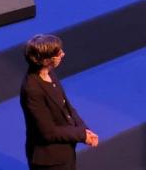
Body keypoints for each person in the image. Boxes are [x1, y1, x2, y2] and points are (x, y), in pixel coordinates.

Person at [20, 34, 98, 169]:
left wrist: (84, 129)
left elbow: (66, 106)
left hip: (65, 151)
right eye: (58, 53)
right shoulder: (32, 90)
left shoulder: (49, 73)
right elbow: (48, 132)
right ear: (46, 60)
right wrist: (81, 135)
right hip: (49, 160)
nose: (63, 54)